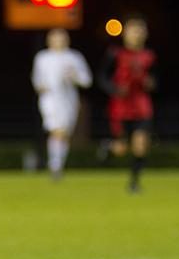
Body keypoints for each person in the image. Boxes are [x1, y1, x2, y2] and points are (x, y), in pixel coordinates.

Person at [97, 14, 157, 193]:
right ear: (125, 33)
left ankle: (134, 182)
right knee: (122, 147)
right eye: (133, 30)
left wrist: (151, 83)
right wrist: (114, 89)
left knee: (140, 144)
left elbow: (155, 79)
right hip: (120, 108)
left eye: (140, 30)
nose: (136, 34)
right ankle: (109, 147)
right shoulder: (115, 54)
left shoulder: (149, 56)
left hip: (142, 106)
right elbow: (102, 77)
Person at [31, 28, 92, 180]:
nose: (59, 41)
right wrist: (40, 86)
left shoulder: (74, 57)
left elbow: (87, 80)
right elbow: (37, 79)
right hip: (50, 100)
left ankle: (58, 164)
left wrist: (74, 75)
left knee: (64, 133)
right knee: (56, 130)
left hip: (69, 100)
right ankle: (55, 166)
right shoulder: (42, 57)